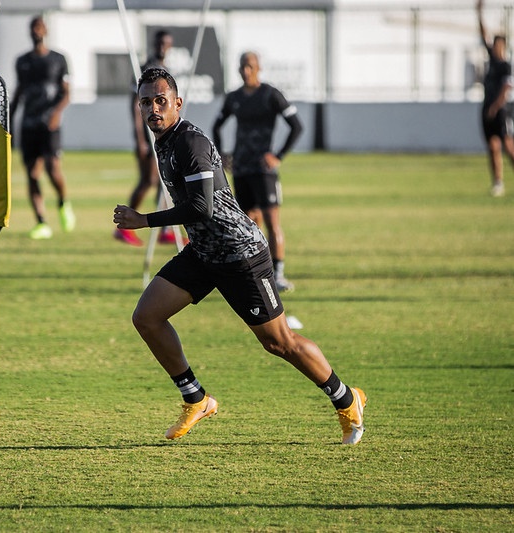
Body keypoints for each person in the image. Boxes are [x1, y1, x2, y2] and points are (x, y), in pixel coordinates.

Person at [113, 68, 366, 444]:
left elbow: (201, 207)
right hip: (204, 252)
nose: (153, 108)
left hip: (239, 252)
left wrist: (143, 220)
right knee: (147, 317)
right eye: (146, 102)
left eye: (160, 101)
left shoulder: (189, 142)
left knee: (279, 343)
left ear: (178, 103)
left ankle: (346, 400)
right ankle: (196, 399)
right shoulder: (163, 141)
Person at [212, 52, 302, 291]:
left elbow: (296, 126)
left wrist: (278, 156)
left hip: (264, 170)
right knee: (247, 224)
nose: (246, 71)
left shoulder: (270, 95)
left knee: (272, 222)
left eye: (250, 66)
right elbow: (216, 126)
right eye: (242, 66)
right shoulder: (234, 98)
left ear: (259, 68)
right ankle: (254, 272)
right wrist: (222, 154)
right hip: (241, 168)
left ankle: (278, 274)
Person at [10, 15, 76, 239]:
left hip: (49, 124)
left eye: (39, 27)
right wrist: (9, 122)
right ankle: (41, 222)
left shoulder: (58, 59)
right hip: (28, 124)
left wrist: (56, 113)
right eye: (33, 28)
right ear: (29, 32)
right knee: (32, 173)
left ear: (46, 31)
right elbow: (19, 93)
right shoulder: (22, 61)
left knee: (52, 168)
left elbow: (66, 93)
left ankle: (63, 202)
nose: (36, 31)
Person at [114, 30, 180, 247]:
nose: (162, 47)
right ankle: (123, 225)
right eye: (159, 43)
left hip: (163, 134)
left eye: (166, 44)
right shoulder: (144, 69)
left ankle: (165, 230)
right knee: (149, 179)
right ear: (154, 44)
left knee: (165, 180)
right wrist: (139, 138)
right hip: (148, 135)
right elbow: (135, 105)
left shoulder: (166, 70)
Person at [477, 0, 512, 197]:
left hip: (501, 111)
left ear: (504, 46)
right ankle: (498, 183)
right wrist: (479, 13)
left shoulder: (506, 66)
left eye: (499, 45)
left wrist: (496, 106)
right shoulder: (491, 60)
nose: (496, 48)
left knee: (508, 146)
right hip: (487, 109)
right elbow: (483, 35)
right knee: (493, 146)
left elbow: (507, 87)